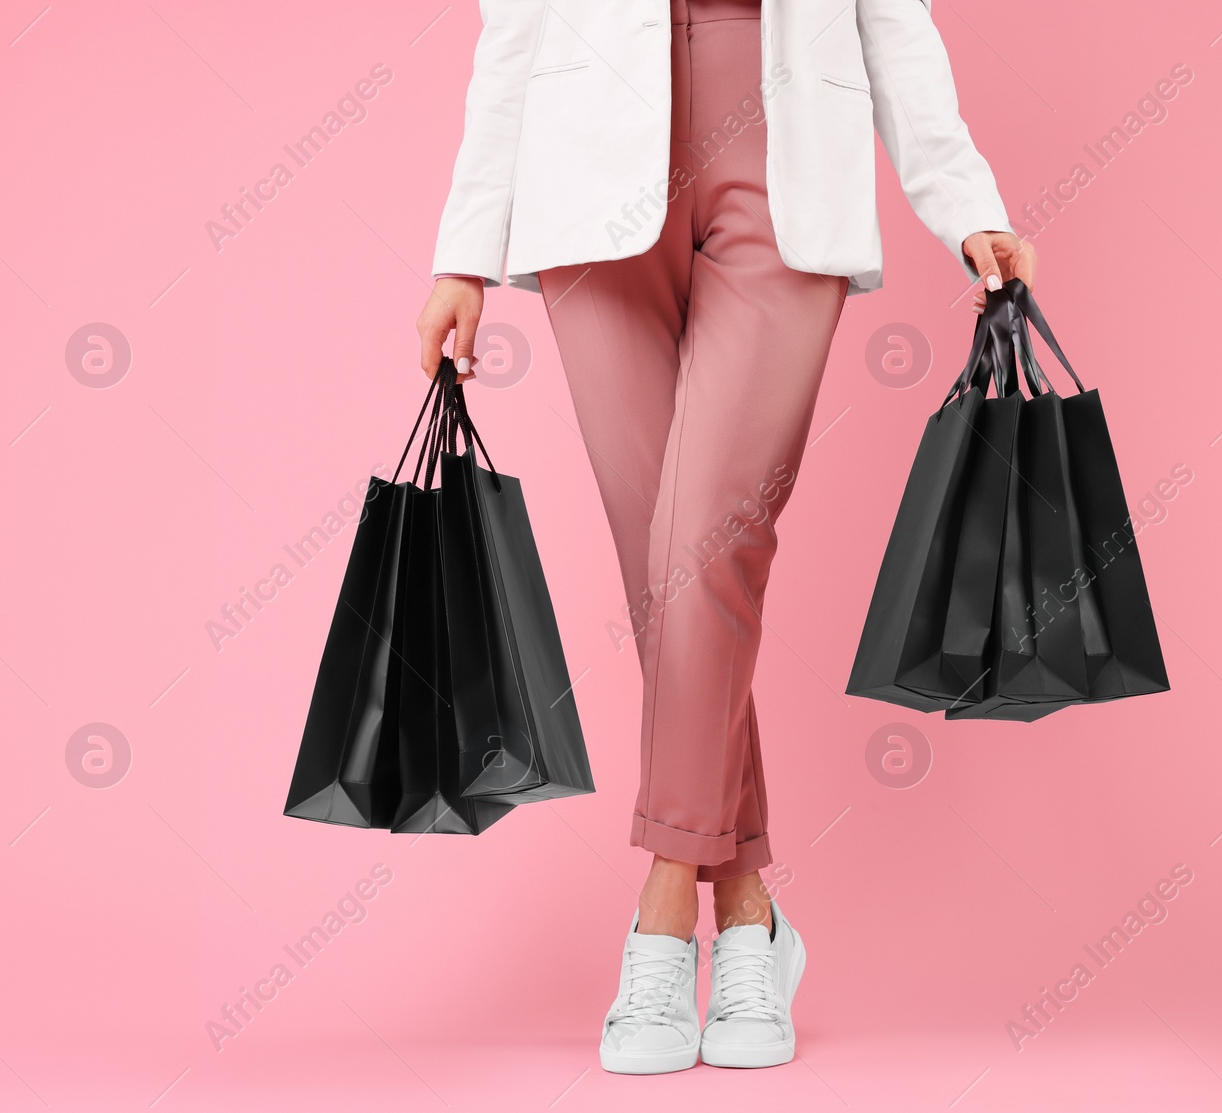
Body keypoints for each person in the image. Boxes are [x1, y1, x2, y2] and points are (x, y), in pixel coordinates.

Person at [416, 0, 1034, 1075]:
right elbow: (514, 23)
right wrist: (462, 253)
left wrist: (961, 198)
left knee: (708, 546)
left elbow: (891, 14)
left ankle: (663, 914)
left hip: (786, 154)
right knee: (662, 575)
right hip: (588, 169)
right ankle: (747, 916)